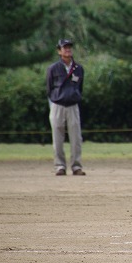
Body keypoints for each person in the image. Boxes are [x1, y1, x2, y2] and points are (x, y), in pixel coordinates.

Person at [46, 39, 86, 176]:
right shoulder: (53, 68)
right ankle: (60, 166)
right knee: (57, 138)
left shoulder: (78, 68)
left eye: (69, 47)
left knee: (76, 138)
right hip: (57, 105)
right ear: (59, 51)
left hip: (73, 105)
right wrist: (53, 102)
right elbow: (49, 88)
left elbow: (80, 87)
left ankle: (76, 166)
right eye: (65, 48)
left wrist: (75, 96)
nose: (68, 50)